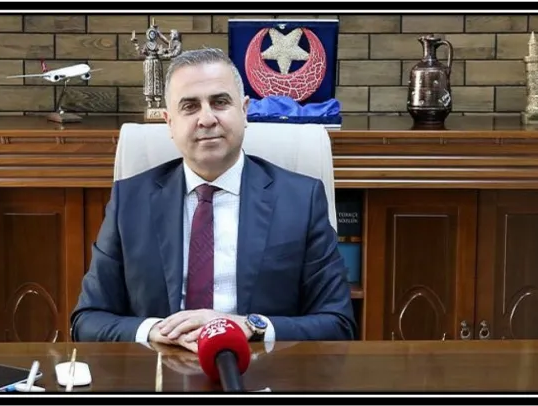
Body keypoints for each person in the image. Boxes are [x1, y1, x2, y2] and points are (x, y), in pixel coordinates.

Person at [70, 48, 356, 353]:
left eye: (220, 102)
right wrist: (156, 330)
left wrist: (250, 326)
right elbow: (87, 321)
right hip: (160, 368)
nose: (206, 119)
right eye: (190, 106)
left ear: (244, 111)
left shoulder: (300, 199)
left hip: (260, 367)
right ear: (169, 122)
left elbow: (338, 324)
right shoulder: (130, 201)